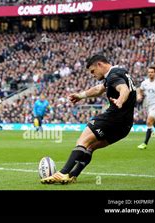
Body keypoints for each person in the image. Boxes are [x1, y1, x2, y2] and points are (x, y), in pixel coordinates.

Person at [41, 54, 137, 184]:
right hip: (124, 127)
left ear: (100, 65)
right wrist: (81, 95)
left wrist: (120, 101)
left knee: (83, 140)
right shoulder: (120, 73)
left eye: (93, 71)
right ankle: (73, 175)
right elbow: (98, 89)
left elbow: (123, 89)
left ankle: (63, 173)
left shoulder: (113, 76)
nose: (93, 74)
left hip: (112, 119)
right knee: (90, 147)